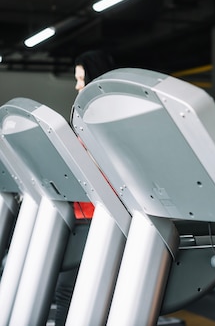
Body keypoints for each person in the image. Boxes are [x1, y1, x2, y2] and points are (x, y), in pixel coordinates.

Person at [54, 49, 116, 325]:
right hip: (81, 218)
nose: (77, 85)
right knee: (68, 289)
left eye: (81, 79)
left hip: (99, 218)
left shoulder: (107, 122)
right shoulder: (84, 120)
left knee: (68, 289)